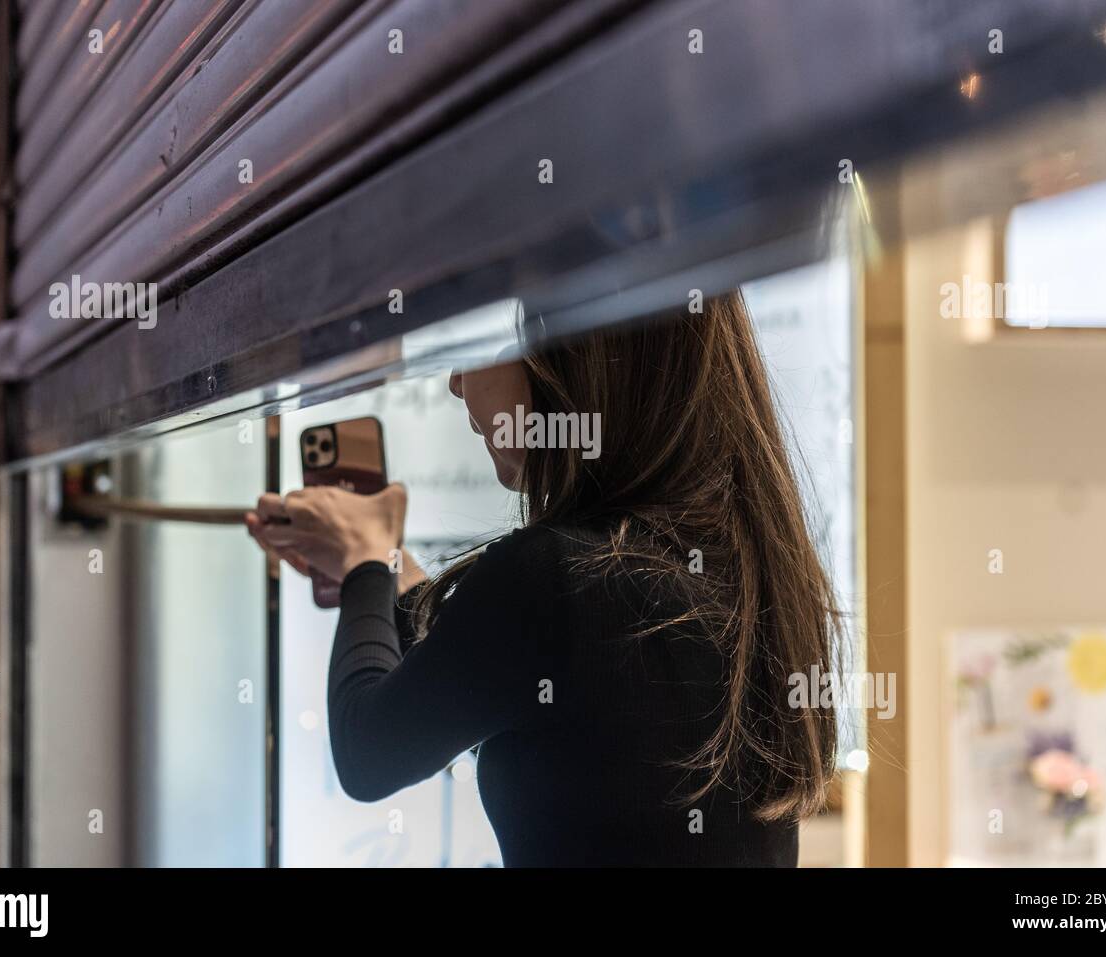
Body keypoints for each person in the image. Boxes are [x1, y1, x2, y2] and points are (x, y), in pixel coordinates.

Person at [246, 291, 842, 866]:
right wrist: (381, 566)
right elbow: (488, 660)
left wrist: (365, 565)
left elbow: (369, 752)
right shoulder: (749, 570)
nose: (456, 382)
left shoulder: (556, 578)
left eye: (485, 341)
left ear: (572, 357)